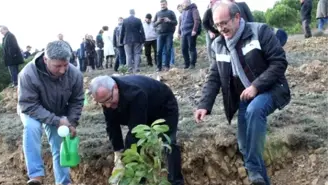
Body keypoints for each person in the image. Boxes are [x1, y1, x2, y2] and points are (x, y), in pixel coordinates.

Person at [194, 2, 291, 185]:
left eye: (225, 23)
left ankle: (253, 168)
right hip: (245, 96)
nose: (221, 28)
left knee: (255, 110)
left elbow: (279, 62)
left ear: (237, 17)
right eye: (217, 25)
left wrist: (256, 86)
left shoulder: (259, 31)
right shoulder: (218, 45)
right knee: (245, 143)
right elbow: (214, 77)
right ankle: (261, 179)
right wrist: (204, 105)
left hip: (270, 88)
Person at [88, 75, 184, 185]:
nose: (108, 105)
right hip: (143, 111)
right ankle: (140, 181)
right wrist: (118, 151)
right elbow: (112, 125)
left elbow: (136, 131)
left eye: (109, 100)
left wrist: (124, 161)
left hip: (163, 107)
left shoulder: (135, 93)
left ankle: (176, 181)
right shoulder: (107, 97)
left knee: (169, 143)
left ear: (115, 88)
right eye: (103, 103)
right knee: (139, 148)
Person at [17, 40, 84, 185]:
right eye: (57, 66)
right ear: (46, 59)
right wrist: (57, 121)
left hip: (58, 111)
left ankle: (63, 182)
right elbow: (28, 105)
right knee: (32, 128)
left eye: (65, 65)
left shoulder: (75, 74)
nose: (62, 70)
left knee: (59, 143)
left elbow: (77, 101)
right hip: (32, 109)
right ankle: (36, 177)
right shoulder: (28, 74)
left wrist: (71, 122)